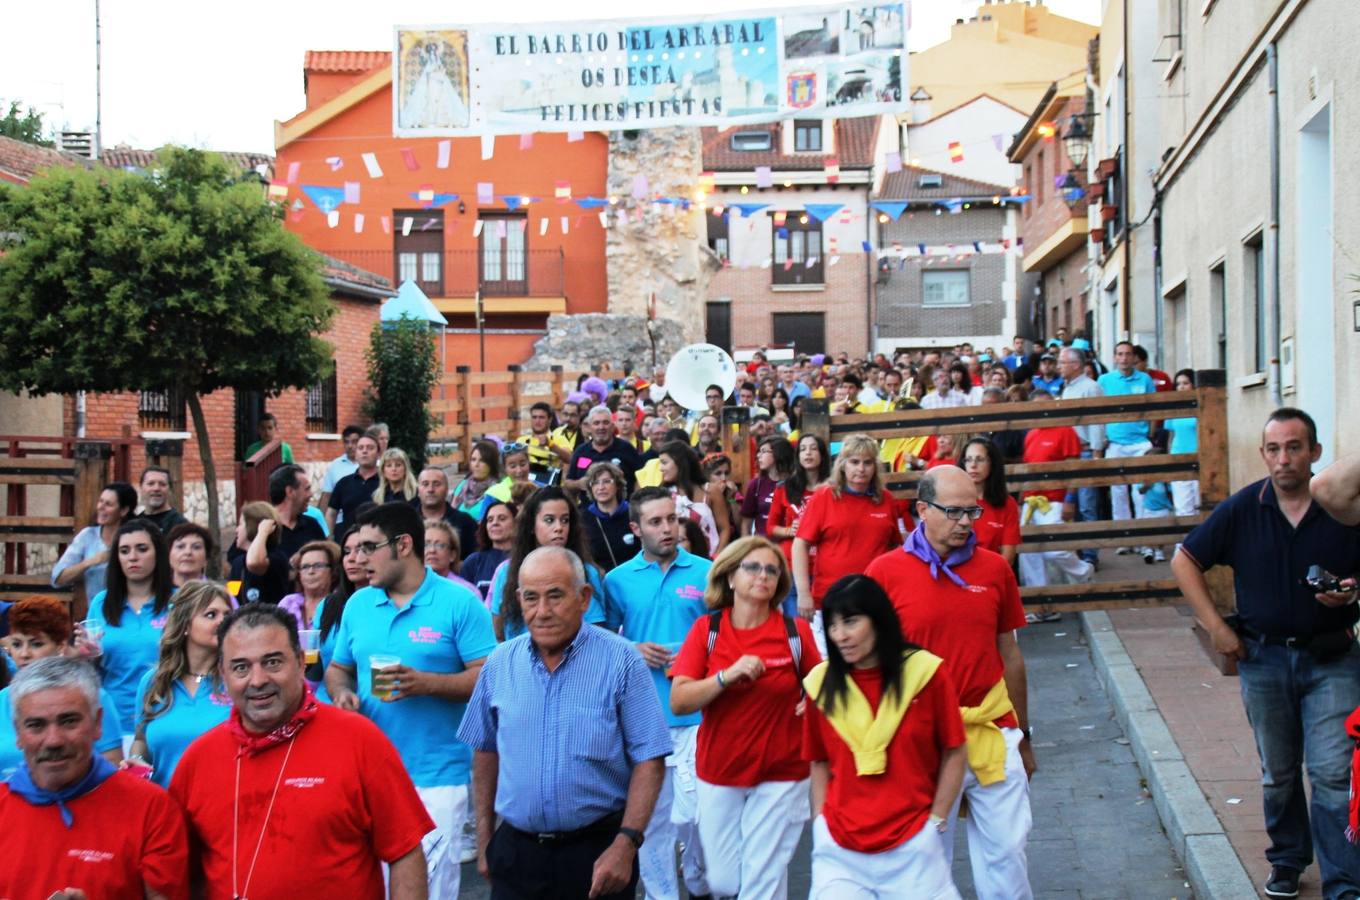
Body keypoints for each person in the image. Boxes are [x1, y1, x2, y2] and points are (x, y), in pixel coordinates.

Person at [1172, 408, 1360, 900]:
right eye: (1274, 449)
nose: (1284, 459)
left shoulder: (1343, 507)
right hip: (1265, 660)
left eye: (1295, 447)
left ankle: (1344, 880)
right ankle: (1287, 860)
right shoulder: (1242, 509)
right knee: (1278, 772)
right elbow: (1184, 559)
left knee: (1332, 774)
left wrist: (1352, 591)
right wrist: (1216, 627)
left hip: (1332, 658)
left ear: (1315, 452)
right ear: (1263, 454)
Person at [171, 604, 433, 898]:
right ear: (223, 673)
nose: (257, 680)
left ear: (299, 661)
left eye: (272, 662)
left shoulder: (360, 740)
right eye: (241, 667)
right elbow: (184, 873)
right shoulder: (197, 760)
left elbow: (406, 852)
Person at [459, 546, 673, 900]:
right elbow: (485, 751)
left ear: (584, 597)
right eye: (531, 598)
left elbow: (650, 759)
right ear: (518, 599)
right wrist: (485, 841)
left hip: (597, 855)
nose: (542, 611)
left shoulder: (622, 661)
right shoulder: (499, 665)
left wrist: (626, 844)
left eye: (555, 596)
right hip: (517, 854)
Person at [865, 466, 1035, 900]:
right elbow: (867, 664)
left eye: (973, 512)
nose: (965, 522)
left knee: (1009, 855)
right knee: (925, 865)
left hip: (991, 732)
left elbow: (1010, 653)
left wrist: (1025, 737)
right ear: (922, 509)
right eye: (954, 512)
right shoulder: (884, 573)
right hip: (919, 740)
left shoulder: (995, 569)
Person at [326, 502, 496, 900]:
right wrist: (341, 693)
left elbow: (489, 678)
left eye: (369, 547)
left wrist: (426, 683)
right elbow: (338, 668)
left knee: (430, 891)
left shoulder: (459, 602)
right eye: (354, 549)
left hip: (436, 775)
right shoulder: (358, 603)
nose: (358, 558)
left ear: (403, 545)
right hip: (365, 775)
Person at [670, 537, 821, 900]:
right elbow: (679, 701)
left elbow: (823, 685)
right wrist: (725, 676)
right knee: (724, 882)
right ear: (730, 576)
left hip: (783, 772)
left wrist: (814, 701)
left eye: (771, 569)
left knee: (762, 878)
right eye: (752, 567)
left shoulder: (794, 632)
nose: (763, 575)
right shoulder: (708, 630)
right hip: (720, 770)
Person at [803, 575, 966, 899]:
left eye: (850, 622)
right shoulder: (819, 685)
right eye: (832, 625)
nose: (840, 636)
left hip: (914, 847)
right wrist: (820, 824)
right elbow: (818, 761)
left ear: (878, 619)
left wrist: (936, 822)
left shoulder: (926, 673)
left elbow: (955, 751)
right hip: (839, 850)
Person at [0, 657, 189, 899]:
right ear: (18, 733)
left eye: (69, 721)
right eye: (36, 725)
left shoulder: (151, 808)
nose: (54, 740)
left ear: (98, 723)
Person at [603, 488, 713, 900]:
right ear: (635, 528)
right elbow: (599, 642)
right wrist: (631, 649)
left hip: (700, 718)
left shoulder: (706, 571)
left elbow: (727, 635)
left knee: (699, 822)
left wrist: (695, 653)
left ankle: (703, 885)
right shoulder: (616, 581)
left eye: (671, 519)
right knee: (652, 826)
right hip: (643, 721)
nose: (667, 528)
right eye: (655, 522)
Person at [794, 434, 902, 654]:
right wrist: (804, 593)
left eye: (867, 462)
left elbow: (896, 551)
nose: (861, 468)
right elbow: (800, 545)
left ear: (875, 466)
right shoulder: (824, 496)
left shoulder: (887, 500)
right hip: (829, 598)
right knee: (829, 665)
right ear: (842, 465)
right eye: (854, 461)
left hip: (874, 599)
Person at [0, 596, 124, 781]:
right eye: (17, 644)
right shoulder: (3, 699)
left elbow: (113, 764)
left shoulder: (93, 696)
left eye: (36, 644)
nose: (24, 654)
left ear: (61, 646)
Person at [129, 581, 234, 788]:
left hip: (221, 808)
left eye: (228, 615)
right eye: (211, 615)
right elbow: (141, 740)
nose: (224, 622)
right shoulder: (153, 681)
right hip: (165, 808)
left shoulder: (236, 680)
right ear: (185, 625)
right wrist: (137, 761)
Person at [87, 518, 175, 743]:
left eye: (142, 549)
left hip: (164, 716)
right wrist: (84, 656)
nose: (133, 557)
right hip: (113, 721)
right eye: (124, 551)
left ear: (158, 552)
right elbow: (91, 667)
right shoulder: (101, 603)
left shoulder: (178, 601)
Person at [489, 487, 609, 641]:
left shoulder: (586, 572)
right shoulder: (506, 572)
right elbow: (498, 633)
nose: (559, 528)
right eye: (549, 520)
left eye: (565, 520)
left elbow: (596, 633)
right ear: (532, 525)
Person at [1017, 391, 1094, 592]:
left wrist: (1070, 498)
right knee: (1028, 552)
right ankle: (1042, 601)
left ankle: (1084, 571)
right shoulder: (1031, 433)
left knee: (1055, 549)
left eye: (1046, 405)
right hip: (1031, 500)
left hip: (1054, 499)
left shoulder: (1066, 431)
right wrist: (1021, 500)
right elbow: (1027, 467)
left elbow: (1074, 469)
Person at [1098, 342, 1158, 552]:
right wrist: (1102, 436)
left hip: (1140, 442)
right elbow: (1097, 411)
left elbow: (1154, 408)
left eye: (1128, 354)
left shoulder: (1145, 379)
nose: (1124, 358)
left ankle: (1143, 540)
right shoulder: (1104, 381)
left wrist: (1150, 434)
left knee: (1141, 492)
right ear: (1115, 357)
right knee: (1118, 493)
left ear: (1135, 358)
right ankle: (1124, 540)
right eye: (1120, 354)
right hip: (1115, 442)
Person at [768, 434, 830, 616]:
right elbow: (770, 527)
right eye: (802, 449)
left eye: (813, 448)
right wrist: (788, 530)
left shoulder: (834, 488)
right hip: (792, 566)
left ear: (822, 454)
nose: (808, 453)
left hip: (824, 564)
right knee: (798, 627)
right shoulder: (784, 488)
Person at [1058, 346, 1106, 567]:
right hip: (1069, 452)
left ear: (1076, 365)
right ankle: (1079, 550)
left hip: (1085, 450)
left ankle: (1090, 555)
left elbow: (1097, 421)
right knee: (1073, 505)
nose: (1059, 367)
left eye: (1062, 362)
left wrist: (1096, 453)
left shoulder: (1090, 387)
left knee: (1087, 505)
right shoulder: (1067, 388)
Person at [52, 480, 138, 604]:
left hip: (131, 610)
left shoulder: (135, 537)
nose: (100, 507)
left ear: (124, 510)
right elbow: (57, 578)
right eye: (100, 501)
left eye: (108, 504)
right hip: (97, 614)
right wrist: (90, 562)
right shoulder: (87, 536)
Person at [660, 441, 733, 559]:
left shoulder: (711, 491)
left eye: (664, 463)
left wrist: (716, 558)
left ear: (680, 463)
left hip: (708, 560)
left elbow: (724, 529)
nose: (661, 468)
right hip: (674, 561)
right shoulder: (663, 494)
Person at [960, 438, 1021, 568]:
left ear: (992, 463)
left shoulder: (1007, 504)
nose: (973, 465)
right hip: (956, 574)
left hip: (992, 575)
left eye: (980, 459)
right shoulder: (951, 500)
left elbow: (1008, 558)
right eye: (968, 459)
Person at [566, 405, 645, 496]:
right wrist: (579, 484)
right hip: (587, 508)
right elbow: (568, 482)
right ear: (590, 427)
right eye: (596, 423)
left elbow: (641, 479)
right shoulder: (581, 451)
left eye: (605, 422)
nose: (601, 427)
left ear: (612, 426)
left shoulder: (626, 449)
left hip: (622, 508)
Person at [228, 501, 292, 605]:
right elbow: (231, 597)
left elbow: (254, 563)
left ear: (253, 526)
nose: (237, 530)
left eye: (241, 524)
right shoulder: (237, 563)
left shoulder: (275, 558)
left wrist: (263, 532)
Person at [413, 466, 480, 563]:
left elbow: (474, 560)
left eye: (436, 484)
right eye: (425, 484)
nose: (430, 489)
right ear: (418, 490)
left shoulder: (465, 522)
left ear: (447, 489)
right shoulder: (407, 522)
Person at [279, 540, 341, 641]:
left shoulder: (342, 605)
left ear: (333, 572)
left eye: (318, 566)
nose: (311, 571)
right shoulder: (288, 603)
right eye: (305, 567)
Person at [583, 461, 639, 572]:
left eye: (607, 482)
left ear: (617, 485)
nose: (601, 487)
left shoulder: (634, 512)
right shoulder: (583, 519)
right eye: (595, 483)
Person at [1162, 369, 1200, 517]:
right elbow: (1171, 436)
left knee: (1199, 505)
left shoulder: (1200, 407)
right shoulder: (1174, 407)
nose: (1181, 387)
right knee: (1183, 506)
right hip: (1178, 458)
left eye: (1185, 383)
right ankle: (1184, 541)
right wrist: (1169, 460)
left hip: (1198, 459)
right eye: (1178, 384)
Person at [461, 499, 516, 600]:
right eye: (490, 520)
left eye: (502, 518)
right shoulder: (473, 562)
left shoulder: (527, 559)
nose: (495, 523)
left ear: (516, 523)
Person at [327, 431, 381, 532]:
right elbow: (331, 513)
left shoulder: (386, 482)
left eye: (370, 448)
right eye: (360, 448)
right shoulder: (344, 483)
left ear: (378, 454)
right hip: (349, 542)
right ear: (356, 454)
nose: (365, 451)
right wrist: (330, 540)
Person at [741, 436, 795, 538]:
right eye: (758, 452)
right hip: (761, 545)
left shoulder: (796, 483)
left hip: (789, 544)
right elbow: (746, 523)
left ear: (778, 453)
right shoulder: (755, 484)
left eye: (763, 451)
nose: (758, 456)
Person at [269, 463, 326, 558]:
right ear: (290, 492)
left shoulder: (312, 525)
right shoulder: (261, 527)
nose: (311, 494)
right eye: (307, 489)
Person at [423, 518, 479, 596]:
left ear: (452, 555)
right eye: (426, 545)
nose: (432, 550)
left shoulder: (468, 592)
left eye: (440, 546)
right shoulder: (406, 589)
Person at [451, 439, 502, 521]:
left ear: (491, 464)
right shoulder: (463, 485)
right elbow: (451, 512)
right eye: (473, 459)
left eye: (482, 460)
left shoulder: (498, 490)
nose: (476, 464)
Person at [318, 424, 365, 513]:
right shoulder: (335, 465)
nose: (350, 446)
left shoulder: (370, 465)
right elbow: (327, 495)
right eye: (346, 442)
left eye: (354, 441)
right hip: (339, 521)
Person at [519, 401, 562, 483]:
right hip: (526, 484)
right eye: (534, 417)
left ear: (550, 419)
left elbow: (569, 459)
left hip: (549, 485)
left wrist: (551, 445)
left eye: (541, 417)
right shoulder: (522, 440)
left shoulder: (558, 438)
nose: (537, 421)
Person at [137, 466, 188, 534]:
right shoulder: (135, 523)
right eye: (151, 484)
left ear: (170, 490)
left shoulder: (180, 526)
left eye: (162, 484)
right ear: (141, 488)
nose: (156, 488)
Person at [166, 521, 215, 588]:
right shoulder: (155, 594)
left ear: (206, 557)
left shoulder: (220, 596)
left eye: (196, 547)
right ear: (169, 555)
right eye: (180, 546)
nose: (188, 552)